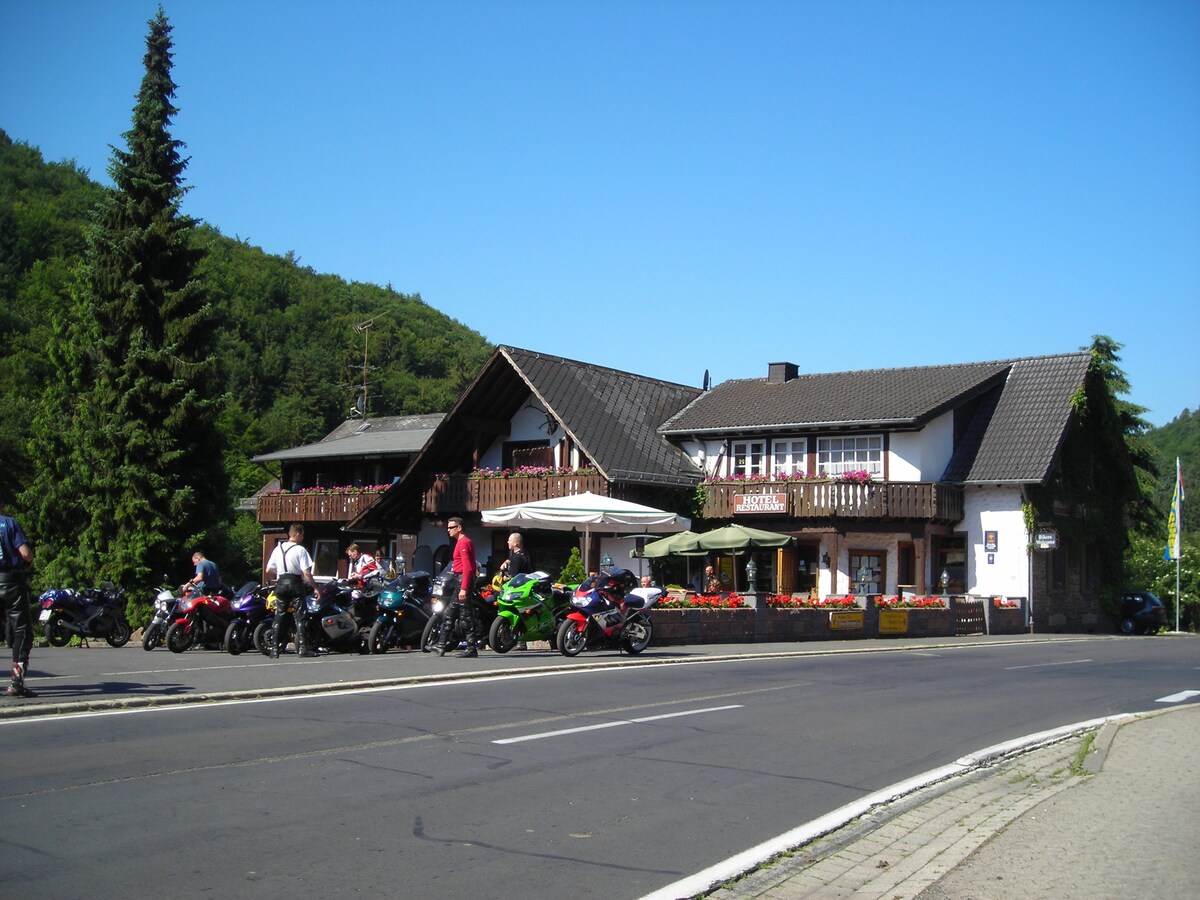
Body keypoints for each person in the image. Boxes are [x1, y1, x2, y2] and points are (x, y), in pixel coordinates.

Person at [0, 493, 36, 698]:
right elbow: (25, 554)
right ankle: (16, 681)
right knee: (22, 630)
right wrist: (28, 564)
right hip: (11, 581)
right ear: (2, 504)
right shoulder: (9, 524)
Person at [265, 524, 318, 658]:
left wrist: (282, 572)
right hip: (295, 582)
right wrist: (315, 587)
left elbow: (268, 569)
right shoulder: (300, 550)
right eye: (303, 535)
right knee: (300, 616)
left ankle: (274, 650)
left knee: (279, 616)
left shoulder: (278, 549)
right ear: (298, 534)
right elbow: (306, 572)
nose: (303, 538)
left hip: (281, 582)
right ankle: (302, 648)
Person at [437, 516, 479, 658]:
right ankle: (441, 645)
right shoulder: (461, 543)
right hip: (458, 579)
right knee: (449, 612)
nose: (448, 530)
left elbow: (467, 567)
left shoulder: (463, 543)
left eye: (451, 527)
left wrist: (464, 588)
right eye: (447, 527)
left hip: (463, 580)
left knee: (466, 615)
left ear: (459, 528)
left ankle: (471, 647)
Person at [499, 532, 531, 648]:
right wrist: (506, 562)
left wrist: (502, 577)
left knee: (515, 612)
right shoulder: (523, 554)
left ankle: (518, 640)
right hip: (525, 589)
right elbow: (511, 559)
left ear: (516, 543)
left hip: (515, 590)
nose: (507, 542)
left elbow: (512, 577)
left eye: (509, 540)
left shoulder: (517, 558)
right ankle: (521, 640)